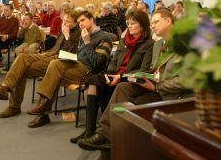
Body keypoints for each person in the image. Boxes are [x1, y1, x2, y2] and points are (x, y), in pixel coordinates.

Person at [77, 9, 188, 152]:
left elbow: (185, 80)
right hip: (151, 85)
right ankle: (103, 134)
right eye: (152, 23)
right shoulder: (158, 45)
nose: (152, 26)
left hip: (167, 93)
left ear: (168, 21)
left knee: (126, 106)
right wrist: (140, 77)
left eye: (156, 22)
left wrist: (156, 86)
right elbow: (151, 70)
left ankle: (107, 139)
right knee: (122, 87)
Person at [70, 9, 154, 143]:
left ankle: (100, 133)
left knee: (105, 84)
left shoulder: (149, 44)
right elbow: (114, 61)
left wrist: (121, 77)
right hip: (115, 75)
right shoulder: (124, 40)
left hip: (128, 79)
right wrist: (110, 74)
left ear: (142, 26)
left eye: (133, 23)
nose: (129, 26)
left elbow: (143, 70)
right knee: (93, 80)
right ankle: (89, 130)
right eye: (128, 23)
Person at [0, 10, 81, 118]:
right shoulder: (65, 28)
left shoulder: (79, 34)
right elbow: (55, 47)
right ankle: (4, 88)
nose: (64, 23)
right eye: (64, 20)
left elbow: (72, 55)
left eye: (68, 21)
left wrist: (67, 36)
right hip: (49, 55)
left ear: (76, 23)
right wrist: (45, 52)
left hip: (60, 61)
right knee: (21, 57)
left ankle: (14, 106)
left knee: (21, 70)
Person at [27, 11, 113, 128]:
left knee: (55, 68)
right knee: (54, 66)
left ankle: (44, 109)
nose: (80, 24)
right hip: (78, 65)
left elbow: (97, 63)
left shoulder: (103, 37)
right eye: (78, 22)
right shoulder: (84, 34)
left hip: (90, 72)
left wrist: (87, 42)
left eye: (83, 20)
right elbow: (80, 55)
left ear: (92, 19)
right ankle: (44, 108)